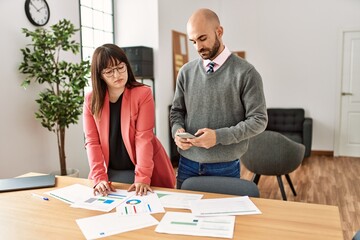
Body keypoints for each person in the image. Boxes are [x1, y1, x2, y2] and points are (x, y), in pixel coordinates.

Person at [170, 8, 268, 189]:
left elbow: (259, 120)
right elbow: (177, 112)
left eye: (202, 38)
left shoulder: (246, 73)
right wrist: (177, 132)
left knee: (225, 217)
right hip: (187, 164)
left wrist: (218, 137)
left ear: (219, 32)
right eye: (193, 41)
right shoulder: (185, 72)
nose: (198, 47)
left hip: (225, 166)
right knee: (184, 216)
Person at [83, 44, 176, 196]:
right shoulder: (91, 100)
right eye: (109, 71)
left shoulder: (143, 94)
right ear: (99, 75)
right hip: (111, 169)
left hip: (144, 166)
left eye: (120, 67)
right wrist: (99, 177)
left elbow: (143, 138)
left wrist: (142, 177)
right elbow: (92, 141)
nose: (117, 75)